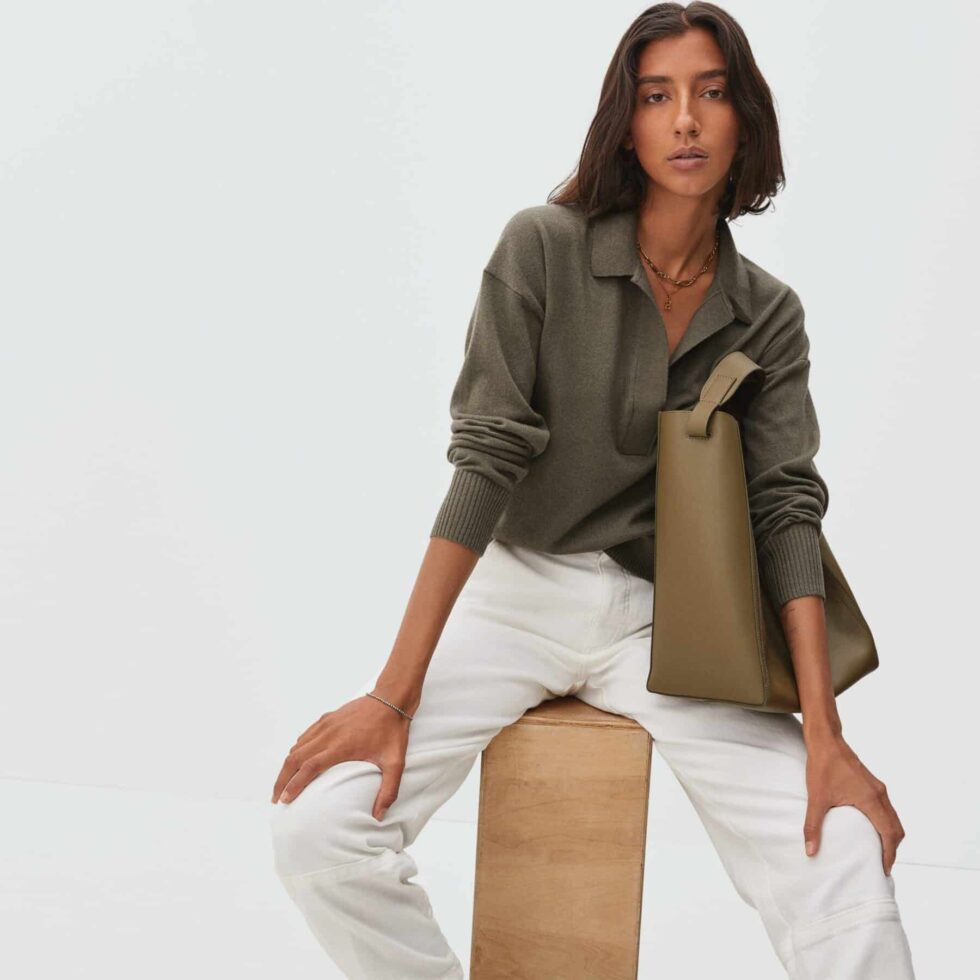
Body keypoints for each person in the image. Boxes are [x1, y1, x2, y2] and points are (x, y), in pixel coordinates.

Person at [268, 4, 917, 977]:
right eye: (656, 97)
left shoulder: (768, 313)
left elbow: (784, 509)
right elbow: (486, 457)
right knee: (318, 831)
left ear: (744, 117)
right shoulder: (540, 247)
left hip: (666, 625)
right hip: (515, 591)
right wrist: (390, 696)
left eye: (710, 93)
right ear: (625, 123)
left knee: (844, 849)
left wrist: (826, 736)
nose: (685, 120)